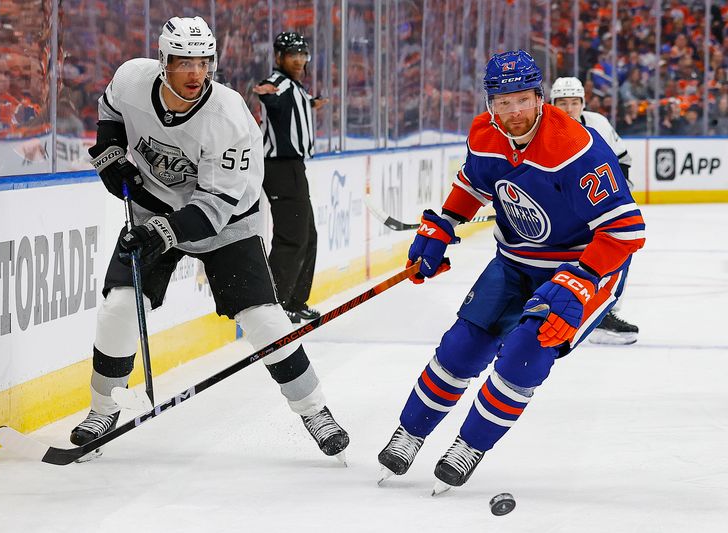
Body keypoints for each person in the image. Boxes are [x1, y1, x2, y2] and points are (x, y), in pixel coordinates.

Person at [70, 17, 349, 461]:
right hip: (153, 212)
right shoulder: (131, 79)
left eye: (204, 62)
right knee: (119, 306)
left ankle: (314, 410)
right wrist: (110, 156)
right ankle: (103, 409)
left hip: (228, 224)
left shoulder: (229, 116)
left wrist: (161, 234)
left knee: (264, 320)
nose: (195, 73)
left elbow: (214, 208)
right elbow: (110, 115)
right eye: (183, 61)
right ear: (163, 61)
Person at [377, 50, 645, 494]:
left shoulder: (575, 148)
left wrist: (580, 279)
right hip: (517, 259)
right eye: (503, 102)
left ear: (540, 98)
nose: (514, 111)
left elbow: (625, 231)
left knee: (526, 352)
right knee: (461, 348)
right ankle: (410, 433)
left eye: (522, 99)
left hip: (583, 266)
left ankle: (469, 445)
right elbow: (473, 183)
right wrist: (443, 224)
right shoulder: (485, 133)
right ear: (490, 104)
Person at [550, 76, 640, 345]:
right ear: (552, 104)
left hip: (596, 209)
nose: (568, 109)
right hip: (555, 212)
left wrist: (618, 197)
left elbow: (621, 159)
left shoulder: (598, 124)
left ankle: (603, 315)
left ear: (583, 103)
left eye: (574, 102)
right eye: (562, 103)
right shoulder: (541, 131)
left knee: (617, 248)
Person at [252, 31, 328, 323]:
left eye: (302, 54)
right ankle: (276, 306)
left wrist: (312, 104)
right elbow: (270, 95)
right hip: (280, 167)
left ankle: (295, 301)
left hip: (294, 167)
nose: (299, 60)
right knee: (291, 237)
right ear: (279, 57)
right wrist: (265, 93)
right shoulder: (279, 84)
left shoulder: (296, 87)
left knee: (307, 236)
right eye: (292, 55)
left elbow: (296, 105)